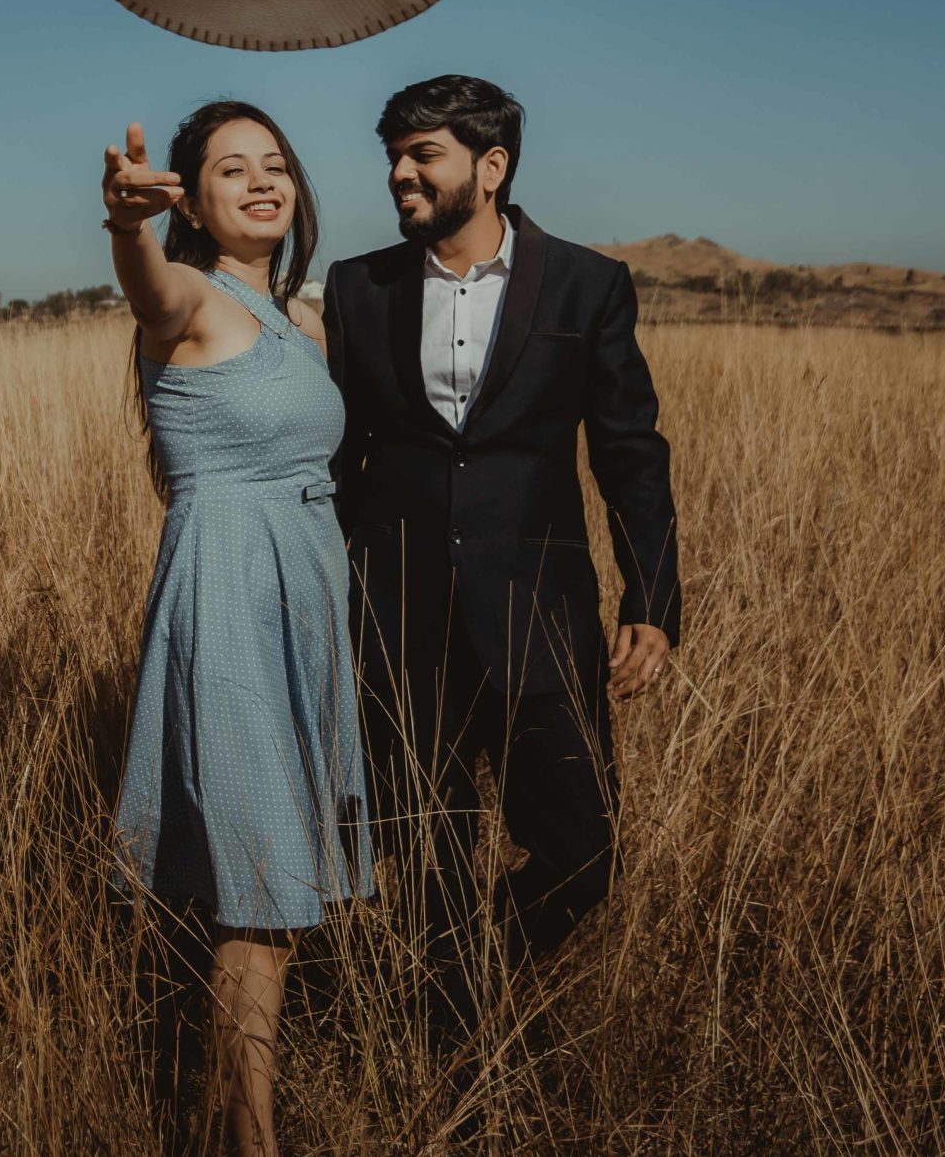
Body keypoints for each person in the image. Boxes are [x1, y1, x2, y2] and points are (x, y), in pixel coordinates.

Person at [319, 74, 683, 1058]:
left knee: (582, 853)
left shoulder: (585, 284)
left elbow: (628, 451)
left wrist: (651, 597)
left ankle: (470, 975)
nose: (398, 172)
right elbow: (339, 459)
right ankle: (452, 1073)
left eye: (421, 154)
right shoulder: (359, 288)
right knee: (427, 864)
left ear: (491, 166)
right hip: (399, 626)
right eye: (392, 154)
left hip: (538, 621)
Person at [101, 100, 378, 1157]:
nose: (260, 181)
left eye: (275, 165)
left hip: (304, 594)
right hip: (228, 594)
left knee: (280, 893)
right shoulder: (189, 303)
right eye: (230, 169)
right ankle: (250, 1142)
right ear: (194, 199)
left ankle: (240, 1122)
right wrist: (127, 225)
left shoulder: (303, 323)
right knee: (260, 898)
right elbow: (146, 285)